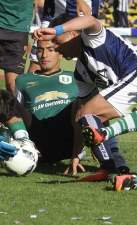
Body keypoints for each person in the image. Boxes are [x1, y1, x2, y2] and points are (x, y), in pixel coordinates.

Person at [33, 14, 137, 180]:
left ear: (73, 34)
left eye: (57, 42)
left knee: (87, 114)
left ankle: (109, 167)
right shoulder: (81, 72)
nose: (56, 48)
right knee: (88, 116)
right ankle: (116, 167)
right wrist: (76, 154)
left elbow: (91, 20)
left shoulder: (92, 38)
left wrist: (55, 29)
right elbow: (87, 119)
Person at [12, 38, 128, 176]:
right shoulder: (22, 80)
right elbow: (16, 115)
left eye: (50, 50)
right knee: (6, 100)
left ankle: (111, 159)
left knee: (88, 102)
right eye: (40, 50)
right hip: (39, 140)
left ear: (60, 53)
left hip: (69, 140)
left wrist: (76, 154)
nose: (44, 55)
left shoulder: (76, 78)